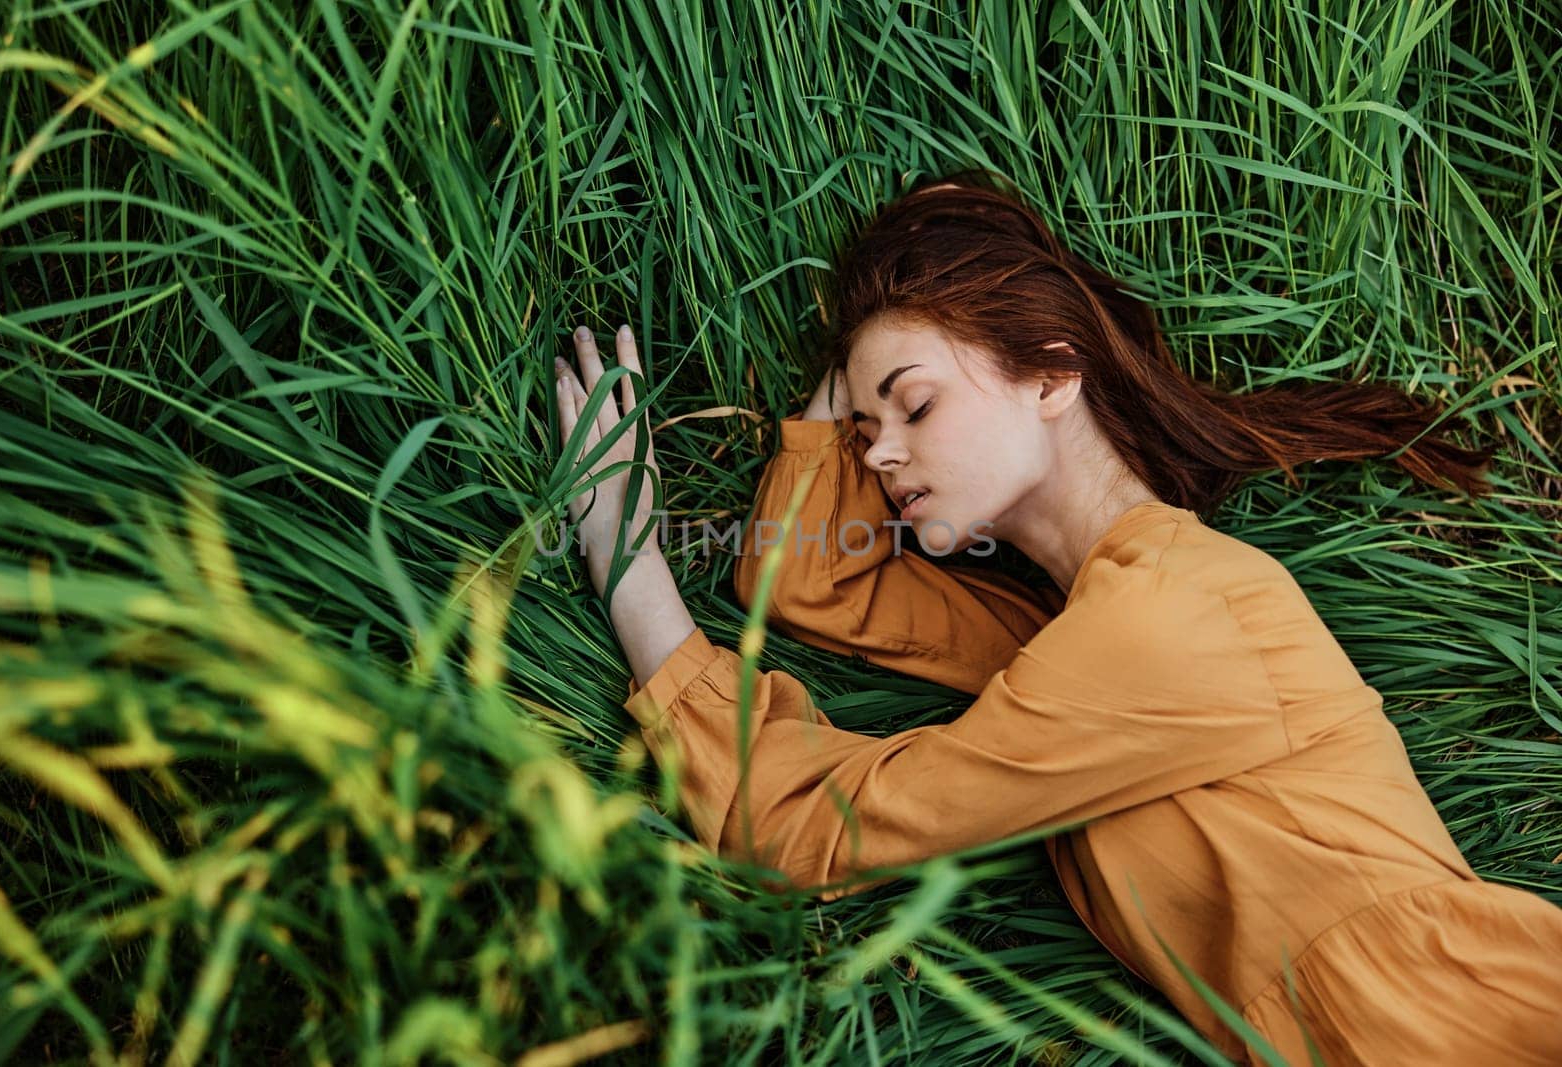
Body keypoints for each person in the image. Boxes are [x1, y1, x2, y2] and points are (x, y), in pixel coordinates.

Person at [549, 172, 1562, 1065]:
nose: (881, 455)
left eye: (916, 406)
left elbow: (810, 828)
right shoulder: (1078, 621)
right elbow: (809, 585)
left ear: (1053, 371)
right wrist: (853, 369)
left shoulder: (1160, 618)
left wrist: (626, 557)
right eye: (865, 433)